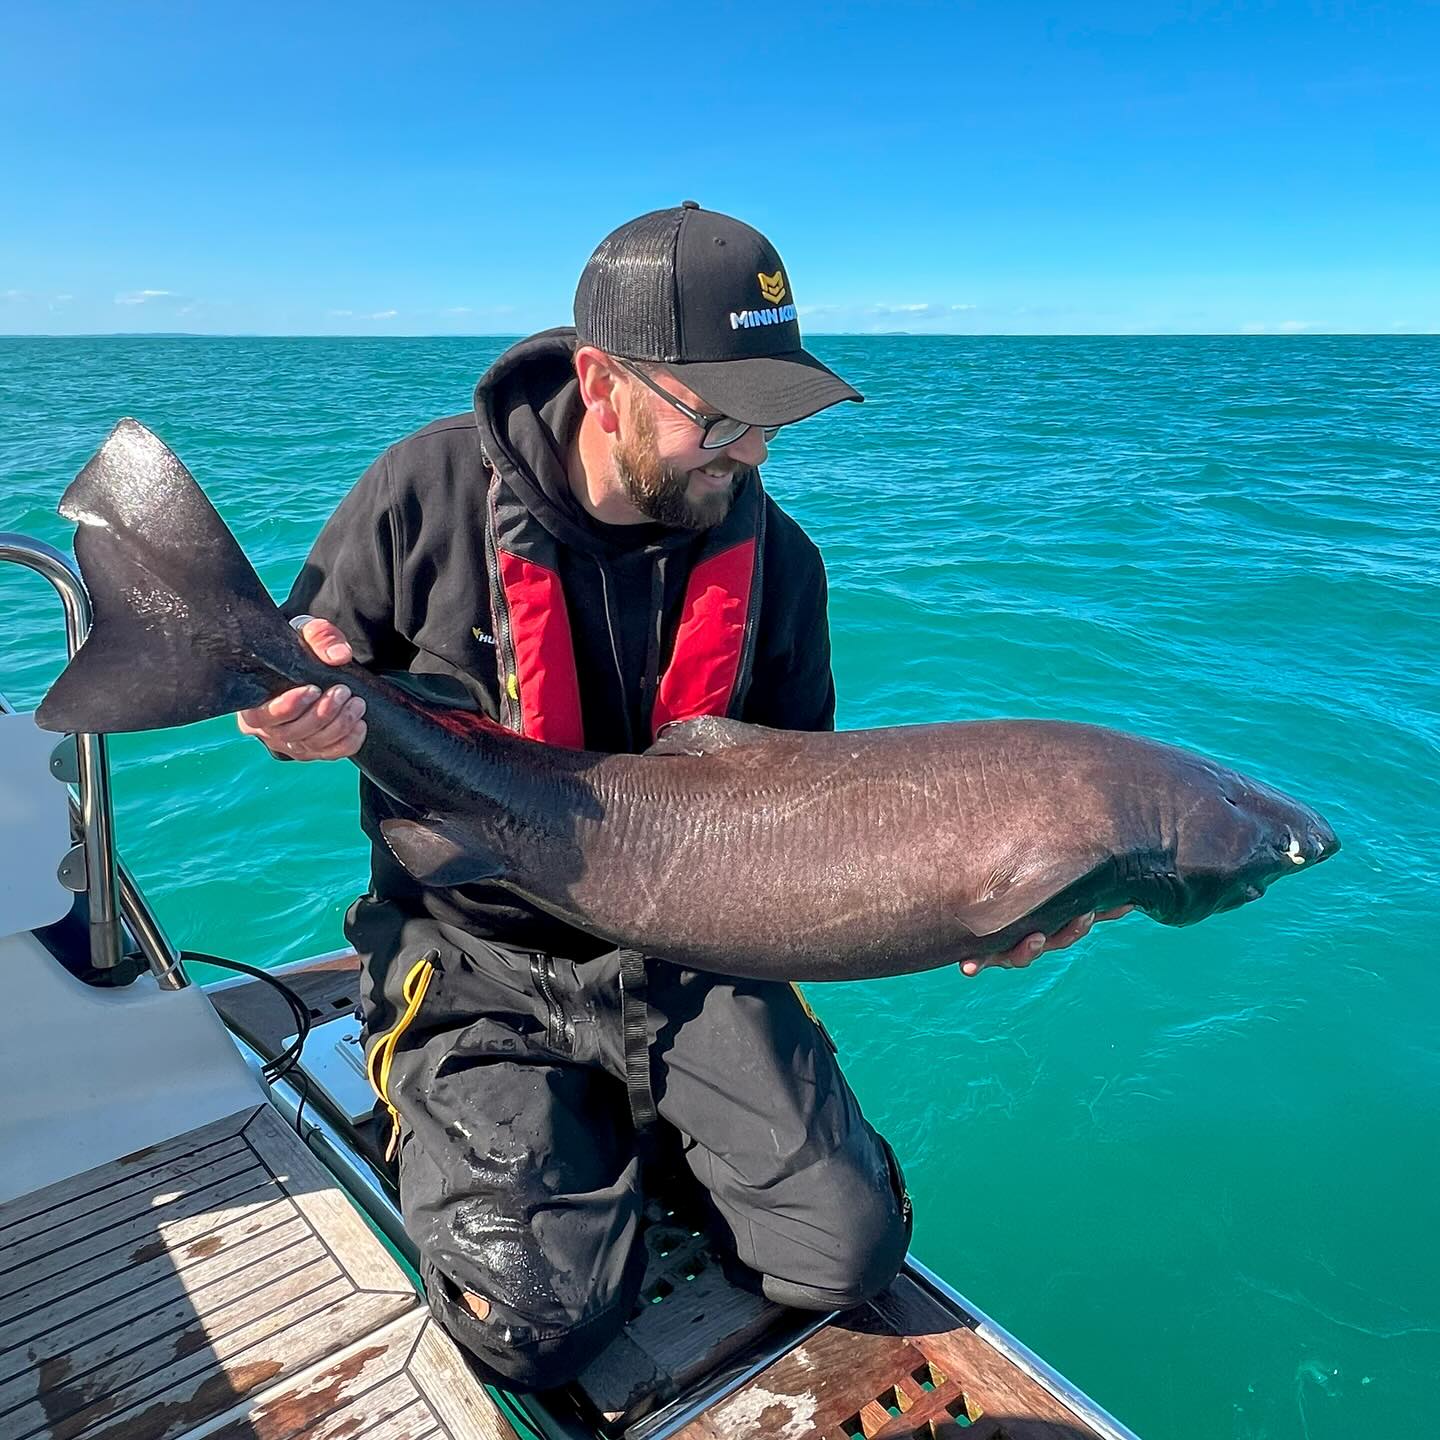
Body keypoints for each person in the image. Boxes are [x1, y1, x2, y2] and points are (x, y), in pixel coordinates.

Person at [237, 203, 1120, 1389]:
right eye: (720, 418)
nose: (751, 453)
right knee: (534, 1327)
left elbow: (805, 824)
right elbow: (295, 674)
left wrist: (969, 911)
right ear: (602, 382)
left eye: (774, 419)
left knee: (847, 1254)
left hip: (687, 955)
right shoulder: (424, 491)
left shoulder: (781, 568)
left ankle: (629, 1116)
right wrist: (287, 715)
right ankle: (457, 1094)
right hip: (477, 952)